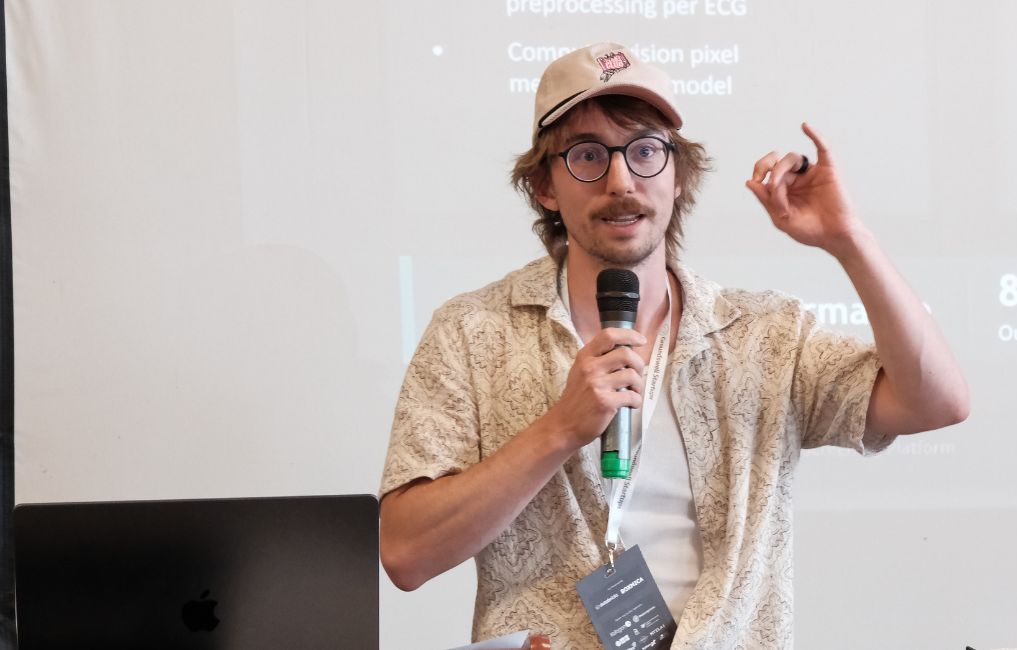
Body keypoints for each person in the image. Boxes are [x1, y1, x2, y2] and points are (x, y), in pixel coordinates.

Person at [377, 42, 969, 649]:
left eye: (645, 151)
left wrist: (849, 240)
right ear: (544, 186)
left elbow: (937, 402)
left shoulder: (763, 334)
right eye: (587, 155)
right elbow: (404, 552)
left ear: (679, 174)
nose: (621, 181)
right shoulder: (472, 332)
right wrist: (558, 430)